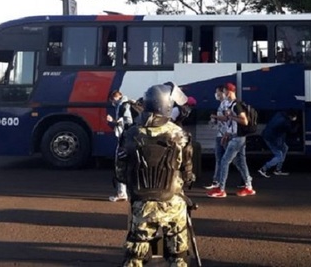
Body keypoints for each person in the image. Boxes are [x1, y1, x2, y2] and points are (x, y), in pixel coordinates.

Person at [115, 83, 195, 267]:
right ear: (166, 105)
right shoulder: (179, 134)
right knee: (179, 253)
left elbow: (120, 173)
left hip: (141, 204)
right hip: (173, 203)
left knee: (135, 253)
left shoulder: (130, 133)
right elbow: (188, 173)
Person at [207, 82, 255, 198]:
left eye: (224, 92)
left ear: (229, 92)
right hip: (236, 137)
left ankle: (221, 189)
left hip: (237, 138)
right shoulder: (232, 104)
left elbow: (244, 121)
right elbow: (230, 121)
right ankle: (248, 186)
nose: (223, 94)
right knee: (240, 162)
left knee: (224, 161)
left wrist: (231, 116)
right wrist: (226, 133)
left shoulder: (235, 105)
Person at [106, 90, 134, 202]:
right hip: (128, 138)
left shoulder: (123, 106)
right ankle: (124, 192)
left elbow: (128, 122)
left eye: (112, 101)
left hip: (124, 139)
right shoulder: (128, 103)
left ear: (114, 98)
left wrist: (113, 121)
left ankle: (121, 193)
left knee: (120, 164)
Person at [257, 109, 299, 177]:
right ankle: (263, 169)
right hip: (271, 138)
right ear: (291, 116)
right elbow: (291, 131)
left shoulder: (280, 114)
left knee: (285, 148)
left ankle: (278, 169)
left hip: (268, 135)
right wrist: (297, 127)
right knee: (279, 155)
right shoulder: (285, 122)